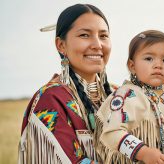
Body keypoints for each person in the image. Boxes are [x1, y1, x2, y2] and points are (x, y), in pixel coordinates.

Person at [18, 4, 116, 164]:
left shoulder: (121, 94)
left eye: (103, 36)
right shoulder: (50, 100)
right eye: (85, 35)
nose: (98, 44)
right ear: (61, 45)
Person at [93, 30, 164, 164]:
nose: (158, 65)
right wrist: (142, 152)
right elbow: (111, 133)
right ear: (132, 66)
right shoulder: (127, 95)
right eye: (149, 58)